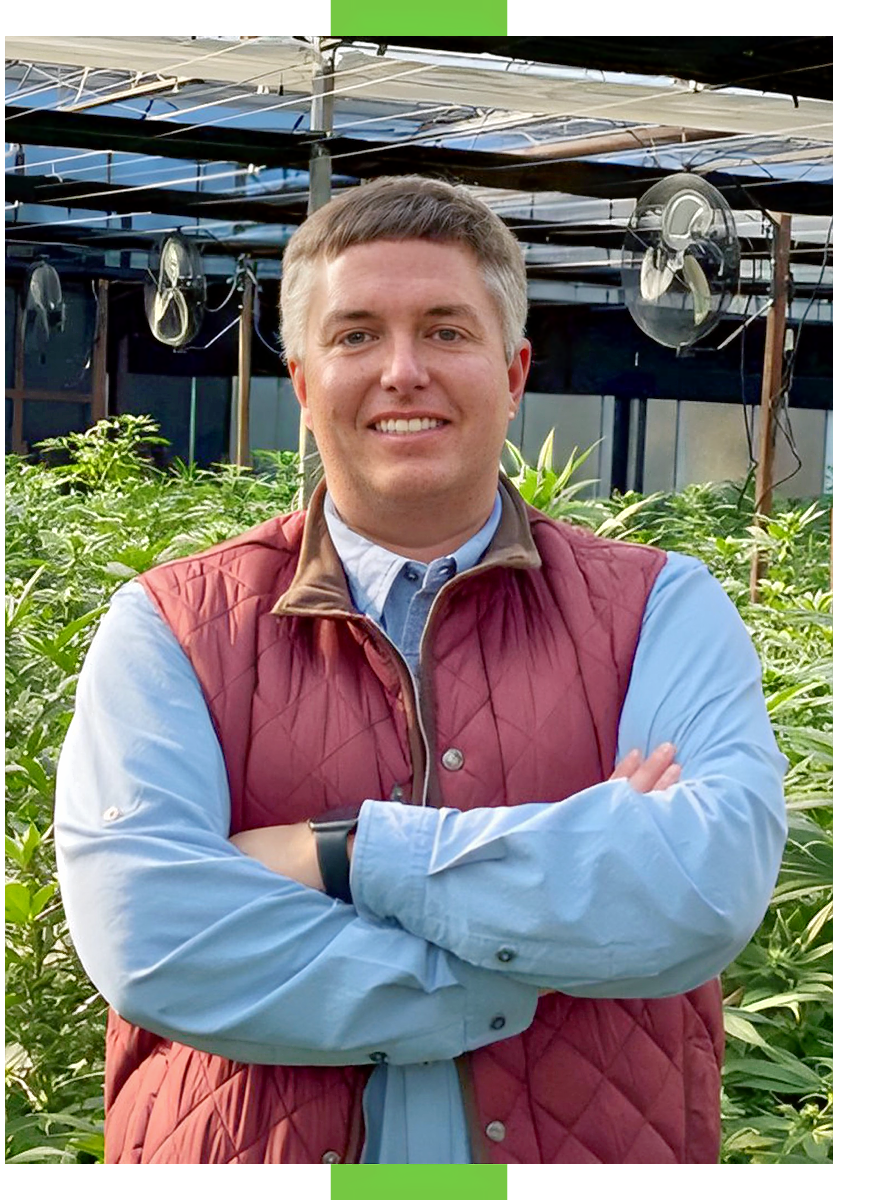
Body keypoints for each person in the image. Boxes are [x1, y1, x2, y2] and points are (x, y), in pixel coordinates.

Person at [55, 175, 788, 1165]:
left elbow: (695, 892)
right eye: (356, 335)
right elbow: (155, 939)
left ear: (515, 370)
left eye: (447, 331)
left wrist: (344, 856)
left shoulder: (663, 606)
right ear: (306, 384)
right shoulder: (171, 627)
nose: (404, 371)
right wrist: (527, 948)